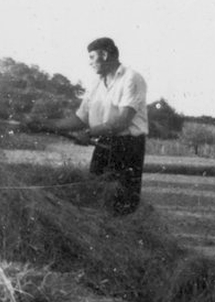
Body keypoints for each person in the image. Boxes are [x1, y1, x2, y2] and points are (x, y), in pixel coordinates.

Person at [25, 36, 148, 215]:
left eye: (92, 57)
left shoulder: (131, 78)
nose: (90, 62)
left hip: (128, 146)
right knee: (96, 195)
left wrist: (89, 133)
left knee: (122, 201)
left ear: (104, 55)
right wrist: (44, 124)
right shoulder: (96, 84)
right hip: (104, 143)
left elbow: (122, 121)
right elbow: (79, 119)